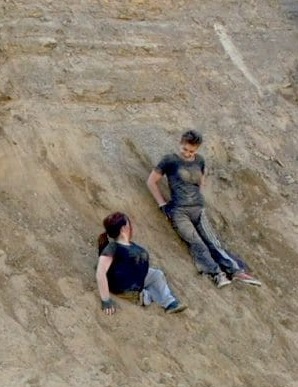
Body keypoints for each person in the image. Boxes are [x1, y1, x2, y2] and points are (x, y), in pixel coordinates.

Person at [145, 130, 263, 288]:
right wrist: (162, 204)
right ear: (180, 143)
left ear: (197, 149)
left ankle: (235, 271)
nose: (187, 153)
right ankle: (216, 273)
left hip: (198, 210)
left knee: (213, 242)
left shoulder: (200, 160)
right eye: (185, 149)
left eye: (191, 151)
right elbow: (151, 181)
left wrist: (198, 192)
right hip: (179, 212)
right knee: (197, 243)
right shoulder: (169, 160)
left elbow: (201, 179)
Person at [96, 211, 187, 315]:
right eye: (128, 224)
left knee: (157, 274)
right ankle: (148, 297)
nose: (131, 227)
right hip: (127, 289)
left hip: (134, 278)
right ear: (123, 229)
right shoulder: (113, 247)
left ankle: (170, 303)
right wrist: (106, 300)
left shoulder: (128, 245)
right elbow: (101, 272)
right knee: (149, 293)